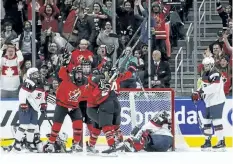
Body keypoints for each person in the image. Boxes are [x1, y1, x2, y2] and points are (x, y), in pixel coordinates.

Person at [86, 61, 136, 156]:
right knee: (108, 125)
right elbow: (126, 75)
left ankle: (113, 146)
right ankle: (118, 144)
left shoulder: (105, 78)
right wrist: (131, 68)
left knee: (105, 125)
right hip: (105, 105)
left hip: (105, 104)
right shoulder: (104, 78)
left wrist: (102, 86)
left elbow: (94, 92)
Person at [43, 57, 85, 153]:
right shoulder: (67, 78)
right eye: (77, 74)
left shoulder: (84, 82)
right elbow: (61, 72)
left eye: (80, 74)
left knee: (78, 124)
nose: (79, 76)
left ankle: (76, 144)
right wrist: (64, 64)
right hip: (62, 105)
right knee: (57, 125)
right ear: (73, 75)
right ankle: (51, 143)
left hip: (74, 107)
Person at [191, 57, 226, 151]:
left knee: (216, 121)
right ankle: (208, 141)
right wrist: (197, 93)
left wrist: (201, 92)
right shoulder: (204, 73)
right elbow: (202, 86)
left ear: (211, 64)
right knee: (206, 122)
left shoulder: (215, 73)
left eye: (207, 65)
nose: (205, 67)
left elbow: (214, 88)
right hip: (208, 101)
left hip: (217, 100)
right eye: (205, 65)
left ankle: (221, 142)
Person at [13, 67, 47, 152]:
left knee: (32, 126)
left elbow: (42, 96)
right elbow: (22, 94)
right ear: (30, 75)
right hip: (26, 106)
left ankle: (29, 143)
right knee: (24, 125)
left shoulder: (41, 84)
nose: (37, 75)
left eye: (37, 73)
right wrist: (23, 104)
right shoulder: (28, 83)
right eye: (34, 74)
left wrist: (43, 105)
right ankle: (17, 142)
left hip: (35, 108)